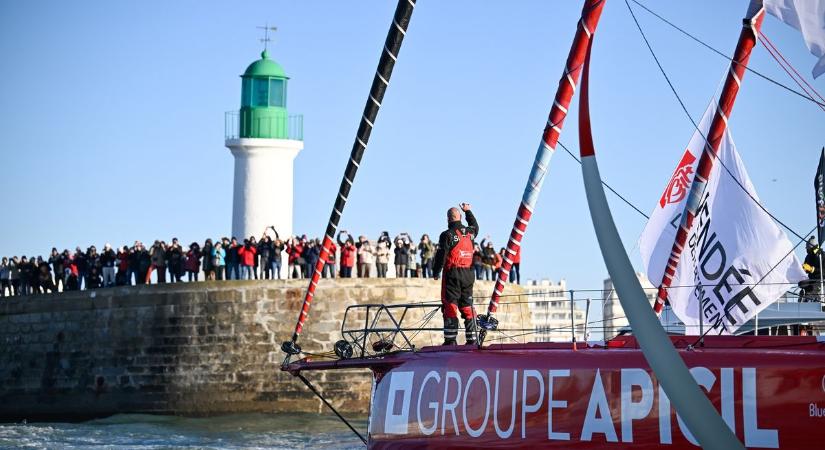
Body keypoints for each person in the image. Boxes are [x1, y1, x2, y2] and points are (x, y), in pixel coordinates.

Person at [433, 203, 479, 346]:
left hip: (453, 274)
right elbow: (475, 225)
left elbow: (441, 255)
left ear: (448, 219)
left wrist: (436, 271)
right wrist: (468, 211)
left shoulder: (447, 235)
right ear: (459, 217)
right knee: (467, 306)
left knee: (450, 305)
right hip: (469, 275)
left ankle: (450, 341)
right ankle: (472, 340)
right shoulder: (471, 232)